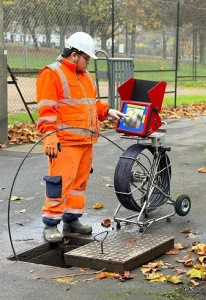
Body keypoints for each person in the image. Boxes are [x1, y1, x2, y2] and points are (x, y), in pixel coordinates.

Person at [36, 32, 124, 243]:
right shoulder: (52, 74)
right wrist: (50, 135)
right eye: (87, 58)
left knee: (78, 184)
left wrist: (107, 111)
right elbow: (46, 109)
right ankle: (50, 225)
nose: (88, 63)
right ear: (74, 55)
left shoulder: (86, 77)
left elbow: (91, 104)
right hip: (64, 142)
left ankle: (71, 220)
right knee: (60, 183)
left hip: (86, 141)